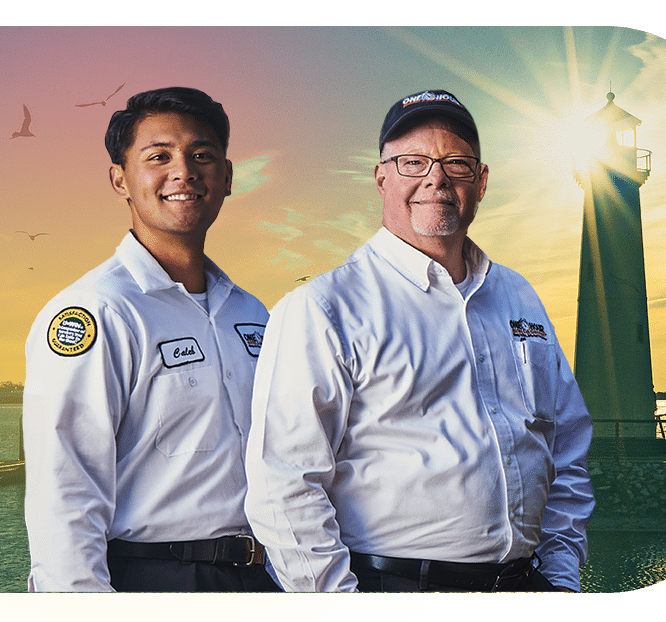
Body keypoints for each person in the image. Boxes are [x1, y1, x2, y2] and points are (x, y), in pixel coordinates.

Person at [244, 89, 595, 593]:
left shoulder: (520, 296)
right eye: (412, 161)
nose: (436, 178)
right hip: (395, 590)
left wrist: (561, 579)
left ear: (481, 181)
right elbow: (284, 486)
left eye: (456, 163)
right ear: (380, 177)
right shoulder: (322, 309)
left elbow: (566, 448)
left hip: (528, 586)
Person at [22, 87, 280, 593]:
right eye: (158, 156)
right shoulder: (96, 311)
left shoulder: (253, 314)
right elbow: (65, 492)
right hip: (150, 580)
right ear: (120, 179)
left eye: (202, 155)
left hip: (261, 579)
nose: (184, 172)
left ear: (227, 178)